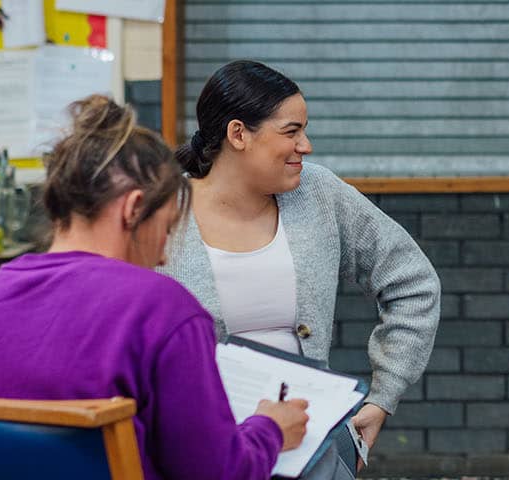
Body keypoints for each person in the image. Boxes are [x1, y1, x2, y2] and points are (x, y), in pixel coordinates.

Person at [0, 95, 308, 480]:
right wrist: (270, 429)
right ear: (133, 209)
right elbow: (218, 473)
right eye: (166, 230)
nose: (162, 259)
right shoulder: (163, 310)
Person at [160, 59, 441, 478]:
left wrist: (383, 395)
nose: (305, 146)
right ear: (238, 134)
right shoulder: (162, 211)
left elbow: (413, 283)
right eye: (291, 132)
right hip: (200, 439)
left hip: (308, 432)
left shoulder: (318, 193)